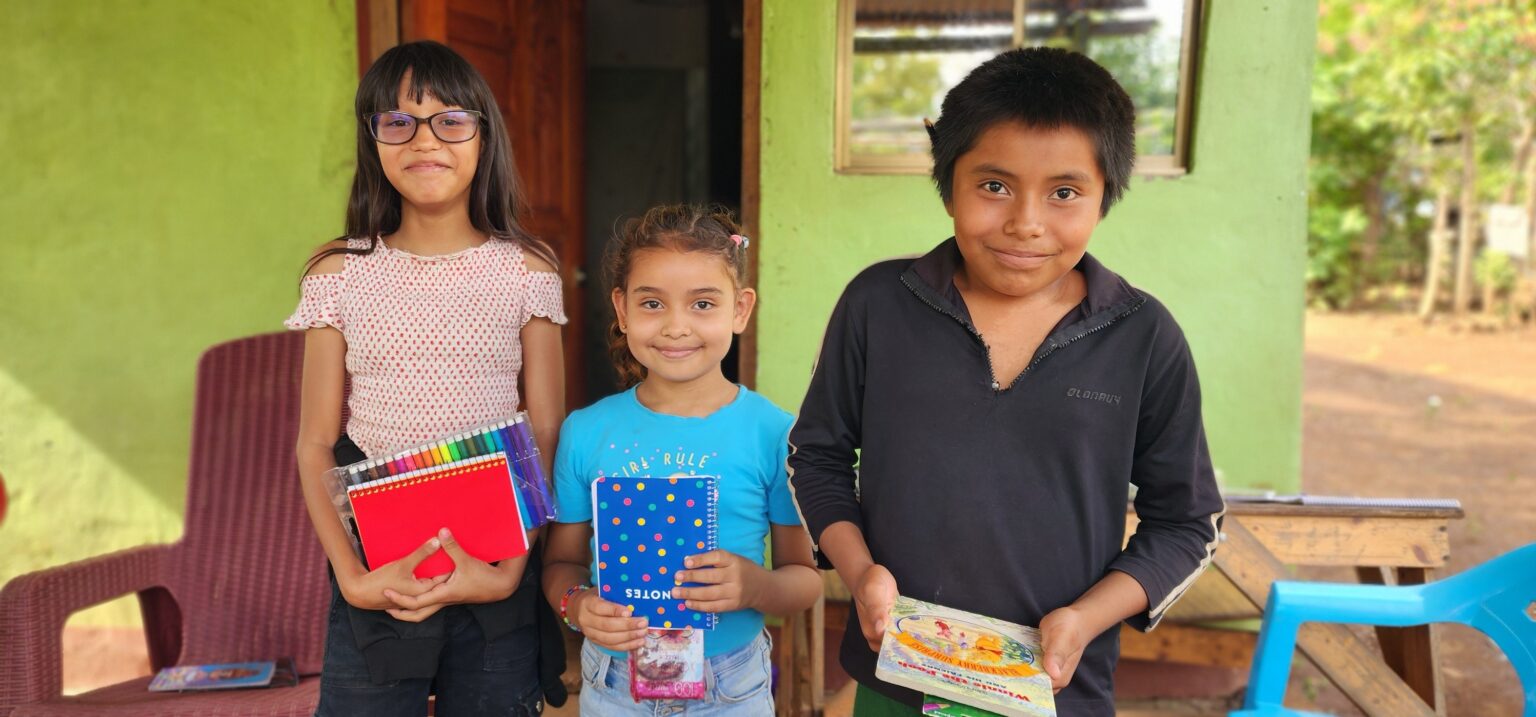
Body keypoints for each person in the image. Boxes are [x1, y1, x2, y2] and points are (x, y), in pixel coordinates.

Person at [787, 47, 1226, 716]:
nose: (1026, 222)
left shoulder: (1143, 337)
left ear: (1105, 195)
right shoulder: (879, 305)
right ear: (948, 184)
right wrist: (860, 570)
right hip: (896, 677)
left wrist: (1084, 618)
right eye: (993, 186)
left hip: (1053, 690)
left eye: (1064, 193)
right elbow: (816, 457)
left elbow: (1186, 522)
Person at [286, 40, 566, 717]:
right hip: (379, 559)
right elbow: (314, 442)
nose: (424, 140)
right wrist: (353, 578)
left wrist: (508, 572)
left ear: (482, 135)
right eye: (398, 121)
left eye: (450, 120)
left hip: (497, 551)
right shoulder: (338, 272)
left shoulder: (527, 268)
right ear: (373, 138)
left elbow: (548, 430)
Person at [542, 204, 822, 715]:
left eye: (702, 304)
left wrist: (755, 586)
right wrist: (577, 605)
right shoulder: (585, 432)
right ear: (622, 310)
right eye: (652, 303)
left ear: (740, 310)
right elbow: (561, 563)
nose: (676, 327)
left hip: (731, 686)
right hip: (613, 683)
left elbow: (803, 579)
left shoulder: (774, 434)